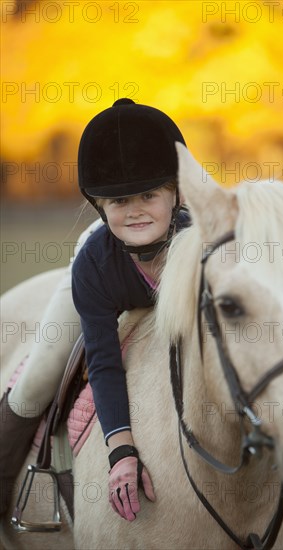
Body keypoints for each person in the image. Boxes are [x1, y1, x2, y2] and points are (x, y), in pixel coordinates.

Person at [0, 98, 190, 520]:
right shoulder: (94, 262)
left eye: (148, 195)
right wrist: (121, 448)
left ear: (176, 193)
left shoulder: (203, 243)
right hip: (100, 280)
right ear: (99, 206)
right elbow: (103, 362)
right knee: (40, 372)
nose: (135, 209)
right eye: (119, 201)